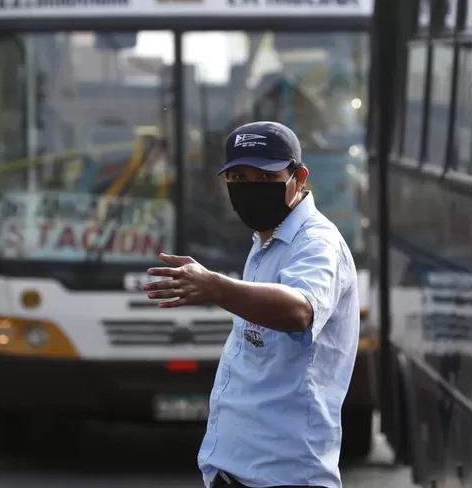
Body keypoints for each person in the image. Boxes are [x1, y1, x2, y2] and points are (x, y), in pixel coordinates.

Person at [142, 121, 360, 488]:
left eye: (264, 175)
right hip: (237, 473)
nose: (250, 188)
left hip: (284, 476)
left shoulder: (316, 244)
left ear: (299, 177)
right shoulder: (265, 241)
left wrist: (215, 287)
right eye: (238, 178)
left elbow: (299, 311)